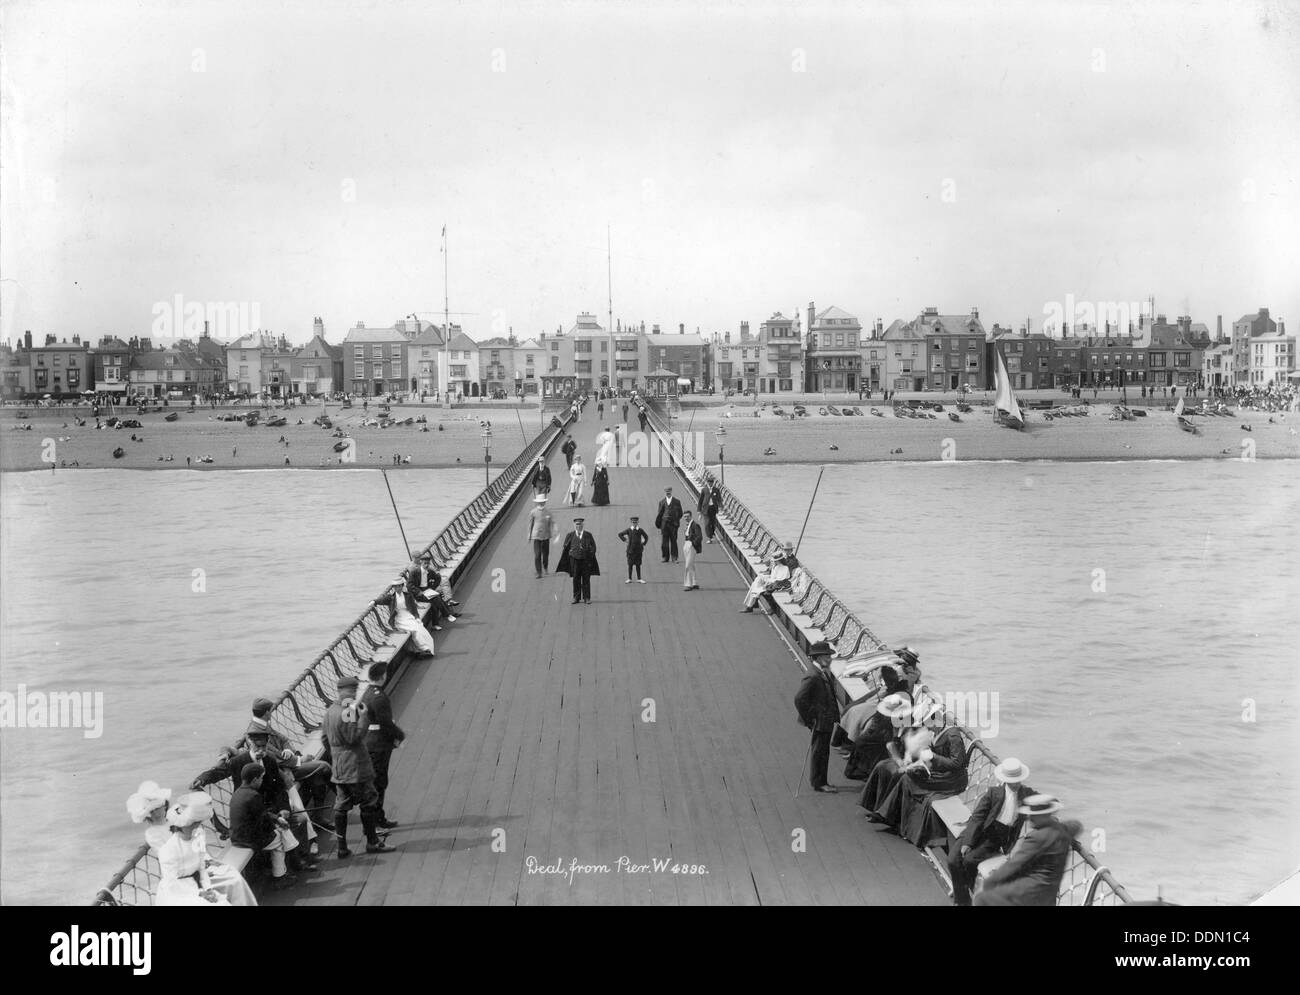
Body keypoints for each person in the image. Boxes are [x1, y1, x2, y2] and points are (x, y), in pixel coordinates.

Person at [871, 703, 969, 845]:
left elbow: (956, 764)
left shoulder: (953, 735)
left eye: (927, 723)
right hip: (941, 773)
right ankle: (895, 820)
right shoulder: (937, 731)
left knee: (908, 779)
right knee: (907, 777)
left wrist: (934, 757)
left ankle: (893, 818)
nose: (926, 727)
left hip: (952, 779)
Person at [947, 757, 1036, 906]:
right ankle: (962, 891)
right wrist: (968, 842)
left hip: (995, 838)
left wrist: (1051, 811)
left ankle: (962, 899)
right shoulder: (993, 793)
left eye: (1019, 780)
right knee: (953, 860)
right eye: (1014, 780)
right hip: (977, 831)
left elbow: (1042, 801)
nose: (1017, 783)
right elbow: (977, 817)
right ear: (1006, 780)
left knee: (969, 861)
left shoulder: (1025, 793)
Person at [324, 675, 395, 858]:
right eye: (352, 691)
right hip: (356, 766)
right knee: (368, 800)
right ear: (343, 691)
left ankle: (341, 847)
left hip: (339, 767)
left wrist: (337, 756)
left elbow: (325, 739)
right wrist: (363, 718)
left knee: (341, 805)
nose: (355, 695)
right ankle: (372, 843)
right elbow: (353, 738)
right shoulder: (346, 713)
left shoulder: (330, 710)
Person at [973, 795, 1082, 906]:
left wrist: (989, 882)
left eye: (1034, 815)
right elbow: (1077, 826)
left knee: (982, 899)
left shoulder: (1038, 837)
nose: (1029, 818)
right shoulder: (1062, 830)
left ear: (1045, 815)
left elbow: (1014, 865)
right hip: (1050, 892)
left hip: (1031, 892)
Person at [155, 792, 254, 906]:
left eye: (198, 823)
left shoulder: (198, 836)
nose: (197, 826)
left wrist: (208, 889)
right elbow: (171, 883)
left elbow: (201, 869)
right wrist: (200, 894)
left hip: (196, 883)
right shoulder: (169, 850)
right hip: (178, 892)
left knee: (234, 879)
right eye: (194, 824)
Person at [228, 763, 307, 889]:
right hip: (248, 840)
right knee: (280, 839)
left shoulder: (238, 793)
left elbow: (262, 814)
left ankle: (292, 859)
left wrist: (276, 819)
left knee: (280, 832)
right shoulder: (253, 795)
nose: (261, 781)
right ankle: (280, 876)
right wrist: (279, 825)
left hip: (237, 836)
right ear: (255, 780)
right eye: (261, 778)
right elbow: (264, 821)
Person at [359, 660, 404, 830]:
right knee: (379, 781)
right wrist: (399, 736)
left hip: (370, 742)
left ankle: (377, 818)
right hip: (379, 744)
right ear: (383, 676)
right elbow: (386, 724)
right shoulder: (379, 697)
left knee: (376, 781)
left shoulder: (367, 694)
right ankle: (377, 820)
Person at [794, 641, 840, 793]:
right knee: (819, 752)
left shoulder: (821, 671)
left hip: (825, 720)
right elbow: (799, 699)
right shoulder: (813, 675)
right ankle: (819, 783)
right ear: (820, 657)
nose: (830, 659)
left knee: (822, 751)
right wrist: (810, 718)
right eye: (828, 656)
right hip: (820, 721)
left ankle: (821, 781)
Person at [843, 689, 912, 780]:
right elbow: (890, 744)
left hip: (862, 746)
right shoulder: (888, 721)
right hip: (871, 751)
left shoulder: (881, 715)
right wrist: (899, 761)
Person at [385, 563, 437, 657]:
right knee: (415, 630)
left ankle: (426, 649)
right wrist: (374, 601)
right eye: (396, 587)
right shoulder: (391, 598)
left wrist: (417, 617)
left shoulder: (408, 596)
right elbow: (381, 600)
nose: (398, 588)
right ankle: (424, 649)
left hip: (409, 616)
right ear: (393, 588)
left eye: (400, 586)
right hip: (399, 619)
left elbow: (413, 608)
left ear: (402, 586)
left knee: (420, 629)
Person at [557, 516, 599, 604]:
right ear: (574, 525)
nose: (578, 526)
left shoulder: (588, 535)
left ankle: (587, 598)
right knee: (575, 578)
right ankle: (576, 597)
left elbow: (594, 547)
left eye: (580, 524)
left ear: (583, 525)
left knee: (586, 579)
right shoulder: (570, 535)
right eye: (577, 524)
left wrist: (590, 555)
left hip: (585, 560)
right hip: (575, 560)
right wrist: (570, 553)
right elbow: (565, 546)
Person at [126, 780, 174, 852]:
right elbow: (166, 853)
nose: (156, 814)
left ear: (164, 806)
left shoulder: (174, 819)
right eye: (151, 811)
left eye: (157, 808)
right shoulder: (152, 833)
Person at [739, 549, 790, 613]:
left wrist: (767, 582)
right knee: (756, 581)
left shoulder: (784, 568)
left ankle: (750, 606)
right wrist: (764, 578)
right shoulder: (776, 567)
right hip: (772, 582)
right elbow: (772, 576)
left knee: (757, 588)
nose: (774, 562)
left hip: (779, 585)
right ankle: (751, 604)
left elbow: (779, 580)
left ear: (779, 560)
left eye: (775, 561)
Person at [528, 493, 556, 578]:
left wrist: (556, 532)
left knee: (545, 553)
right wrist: (529, 535)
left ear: (544, 502)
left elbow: (552, 522)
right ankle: (539, 572)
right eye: (539, 502)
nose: (541, 503)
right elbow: (530, 524)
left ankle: (545, 566)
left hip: (546, 535)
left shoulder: (548, 512)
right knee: (537, 554)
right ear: (537, 503)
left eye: (542, 502)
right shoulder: (533, 512)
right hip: (536, 536)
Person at [654, 486, 683, 562]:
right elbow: (659, 514)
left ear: (671, 492)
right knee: (664, 542)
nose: (668, 493)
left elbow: (680, 513)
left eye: (669, 492)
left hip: (673, 525)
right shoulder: (662, 502)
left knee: (674, 541)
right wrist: (659, 524)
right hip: (664, 525)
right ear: (665, 492)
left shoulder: (677, 501)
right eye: (667, 492)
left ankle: (674, 557)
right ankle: (665, 557)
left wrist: (676, 520)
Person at [682, 510, 703, 590]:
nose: (686, 518)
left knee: (688, 565)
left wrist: (693, 544)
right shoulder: (688, 525)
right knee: (691, 565)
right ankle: (694, 583)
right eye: (685, 517)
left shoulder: (695, 525)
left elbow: (699, 537)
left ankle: (688, 584)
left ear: (691, 516)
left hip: (691, 545)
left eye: (687, 516)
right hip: (686, 544)